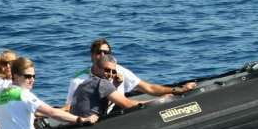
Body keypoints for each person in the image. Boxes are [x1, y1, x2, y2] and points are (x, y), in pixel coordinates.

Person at [0, 19, 95, 129]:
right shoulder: (24, 94)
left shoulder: (0, 88)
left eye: (33, 76)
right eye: (27, 76)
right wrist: (82, 119)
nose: (32, 79)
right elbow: (52, 113)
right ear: (16, 76)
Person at [63, 38, 197, 111]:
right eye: (99, 52)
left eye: (106, 52)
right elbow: (71, 107)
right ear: (92, 55)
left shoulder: (118, 70)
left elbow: (148, 88)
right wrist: (160, 102)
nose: (103, 55)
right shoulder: (80, 80)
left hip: (118, 110)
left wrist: (179, 90)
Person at [68, 54, 141, 119]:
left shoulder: (87, 82)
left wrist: (115, 85)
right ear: (97, 69)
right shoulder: (102, 83)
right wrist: (150, 103)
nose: (111, 74)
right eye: (107, 70)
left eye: (114, 71)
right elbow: (128, 104)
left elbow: (106, 102)